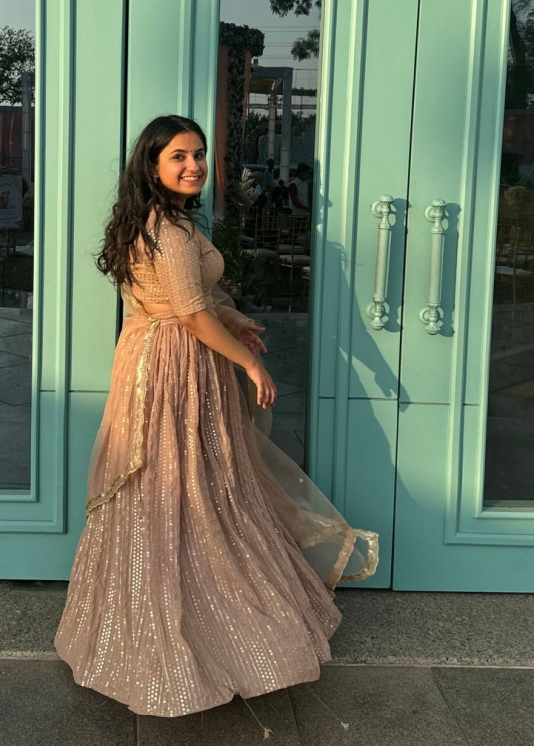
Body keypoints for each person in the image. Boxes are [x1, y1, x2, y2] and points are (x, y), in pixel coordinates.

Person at [53, 115, 378, 733]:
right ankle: (184, 632)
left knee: (179, 486)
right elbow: (191, 313)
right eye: (179, 156)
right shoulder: (168, 230)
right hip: (171, 368)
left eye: (199, 154)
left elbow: (189, 304)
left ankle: (146, 620)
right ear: (152, 165)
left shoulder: (162, 221)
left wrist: (233, 322)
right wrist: (249, 362)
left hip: (163, 360)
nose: (194, 165)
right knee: (180, 485)